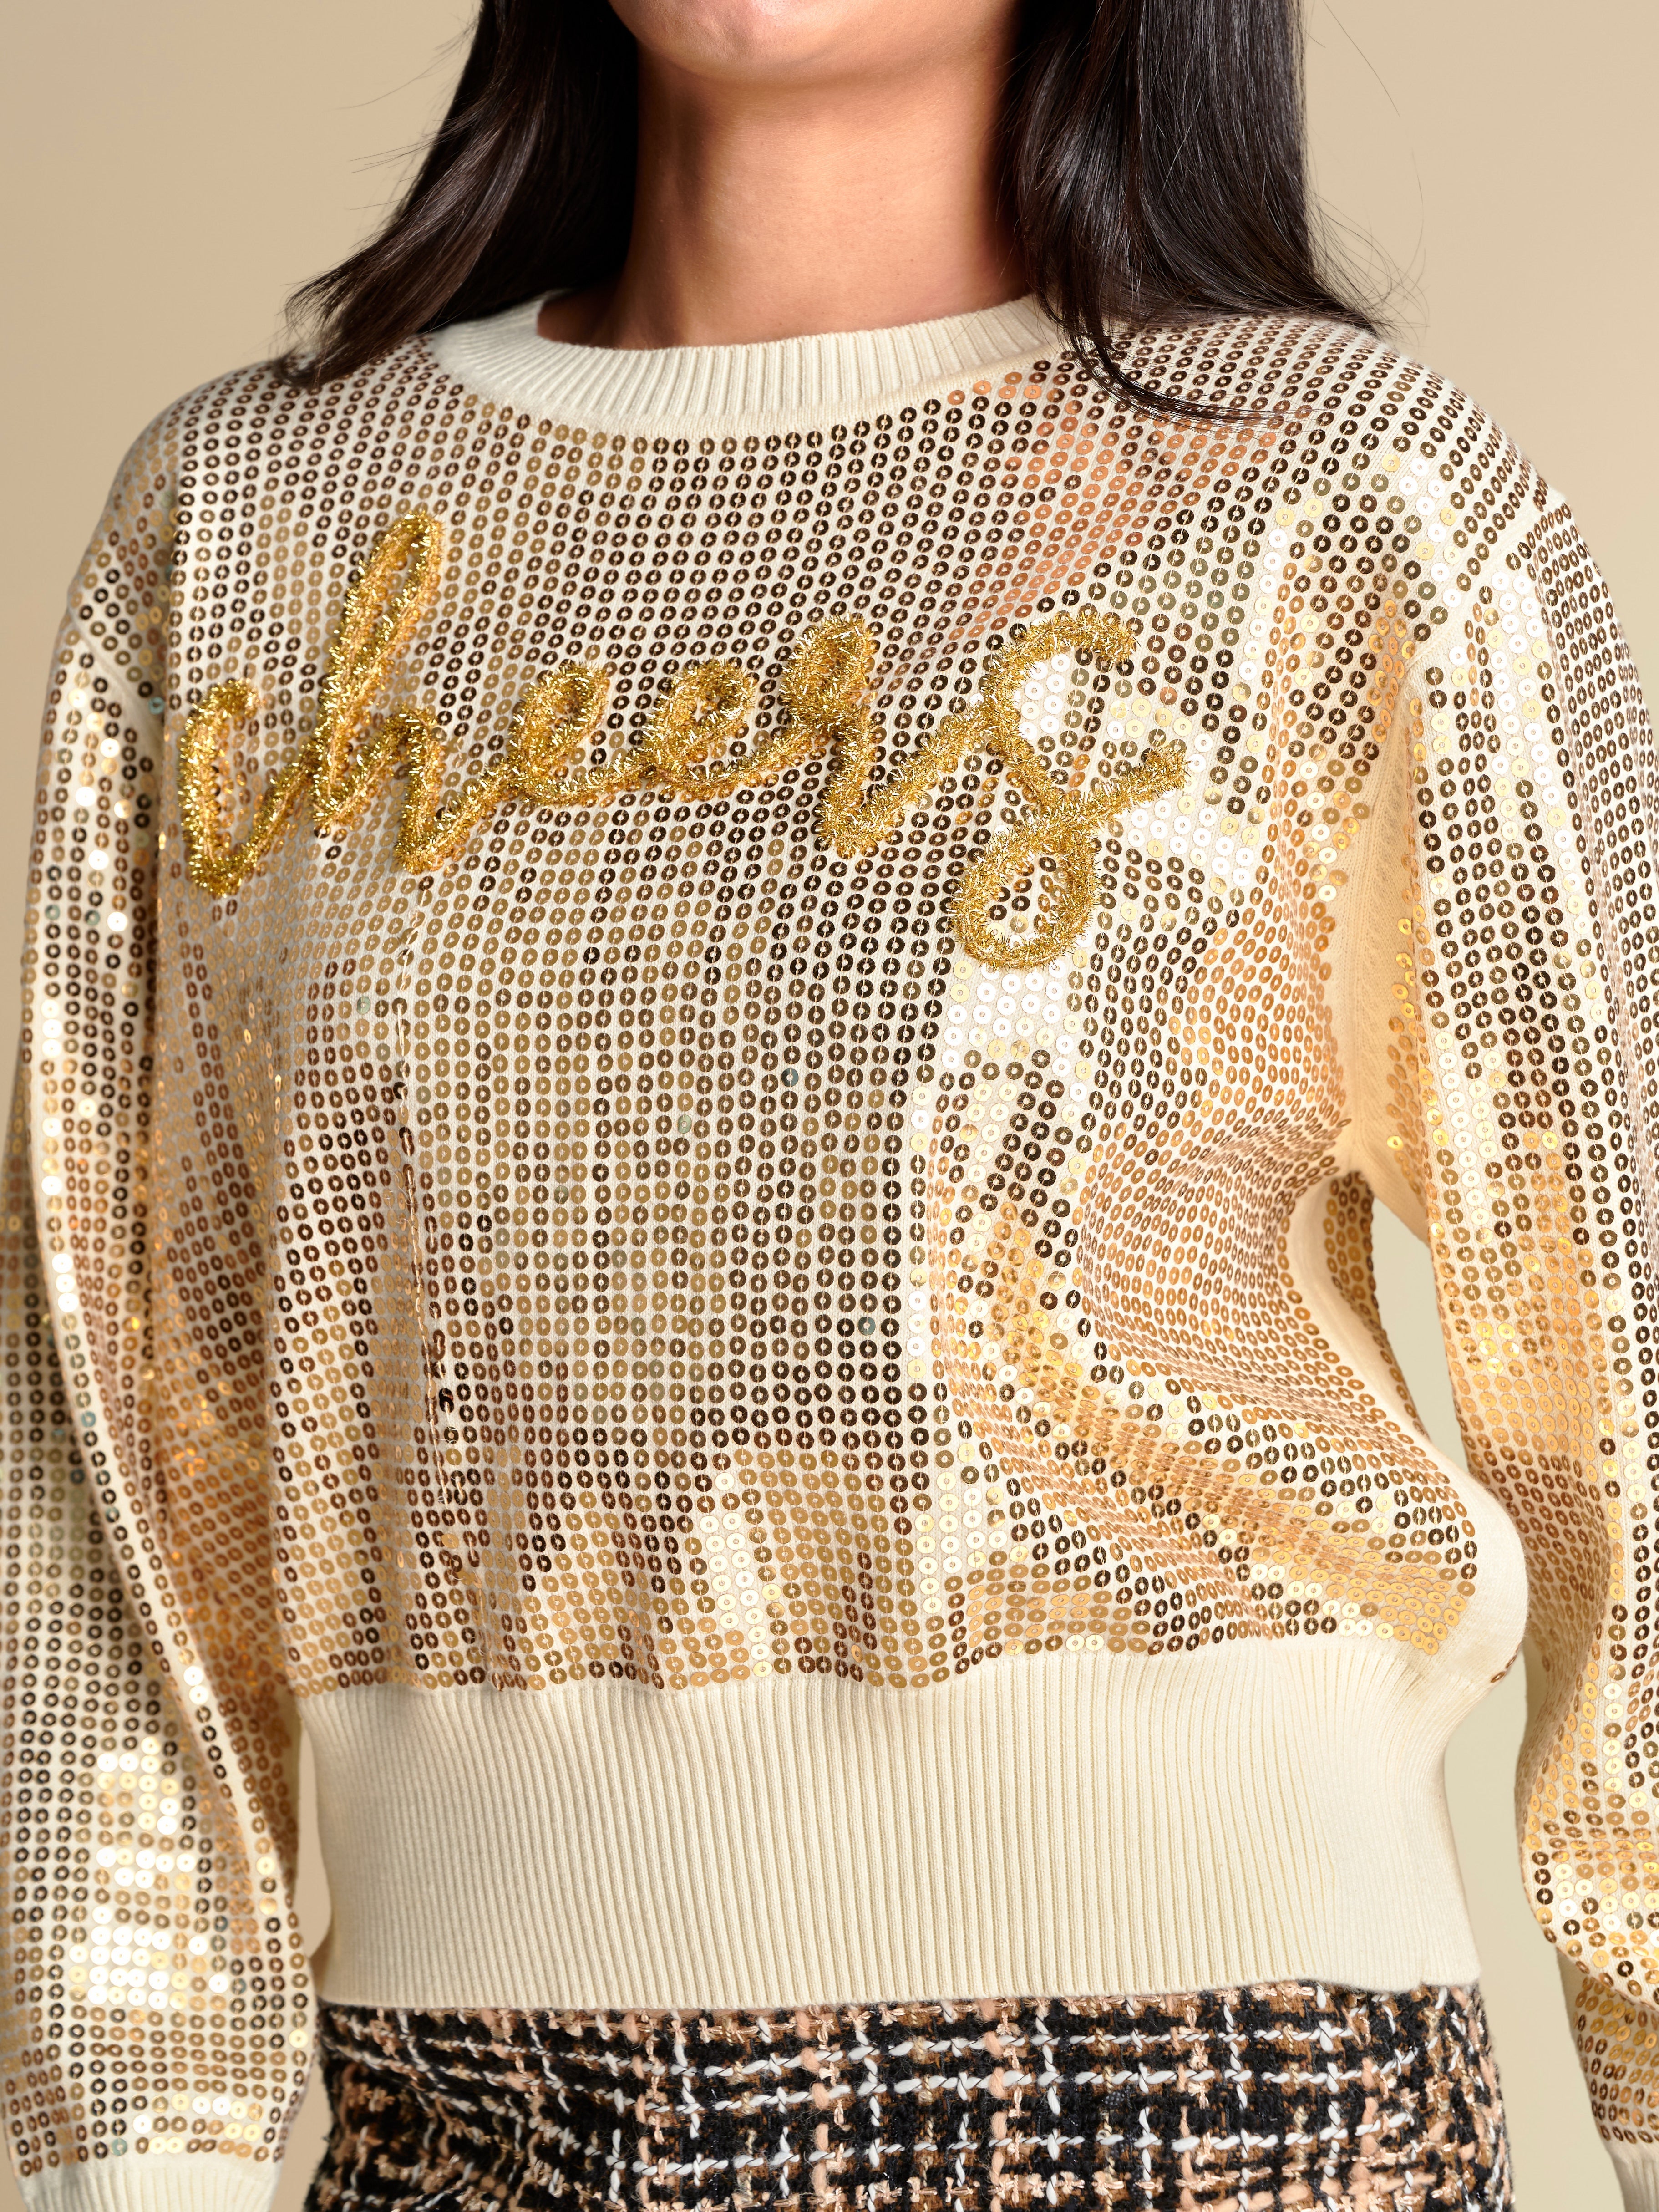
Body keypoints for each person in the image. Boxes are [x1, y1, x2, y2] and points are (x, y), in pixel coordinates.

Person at [4, 0, 1654, 2204]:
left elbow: (1628, 1362)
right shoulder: (252, 524)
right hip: (451, 2111)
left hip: (1225, 2104)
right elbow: (106, 1437)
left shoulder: (1342, 493)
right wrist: (139, 2141)